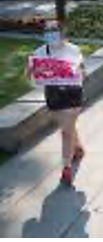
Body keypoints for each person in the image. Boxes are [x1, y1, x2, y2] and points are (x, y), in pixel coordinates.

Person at [27, 20, 86, 185]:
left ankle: (66, 168)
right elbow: (30, 76)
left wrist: (78, 71)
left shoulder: (73, 50)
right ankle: (78, 148)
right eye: (48, 32)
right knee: (68, 127)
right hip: (53, 95)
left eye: (54, 31)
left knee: (65, 132)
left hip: (72, 93)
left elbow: (83, 72)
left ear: (62, 33)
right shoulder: (39, 53)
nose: (51, 35)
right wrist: (31, 69)